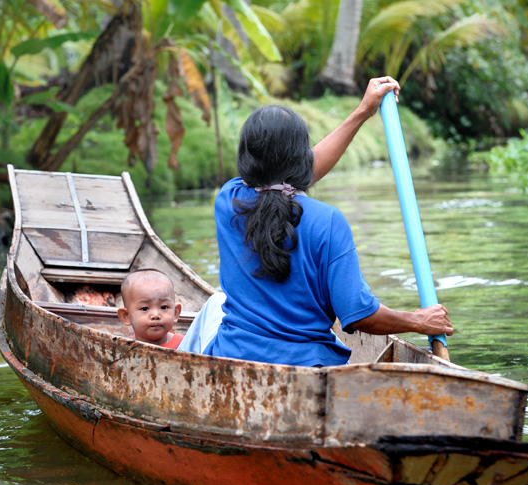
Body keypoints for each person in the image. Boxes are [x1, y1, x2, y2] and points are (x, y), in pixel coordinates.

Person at [177, 76, 453, 366]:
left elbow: (288, 180)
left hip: (233, 358)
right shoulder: (328, 221)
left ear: (245, 158)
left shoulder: (228, 201)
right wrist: (418, 320)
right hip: (310, 367)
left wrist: (362, 112)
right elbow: (359, 314)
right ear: (301, 159)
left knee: (215, 304)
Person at [117, 269, 184, 349]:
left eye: (164, 307)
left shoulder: (186, 345)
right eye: (145, 308)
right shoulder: (122, 350)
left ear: (175, 313)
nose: (156, 315)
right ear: (126, 316)